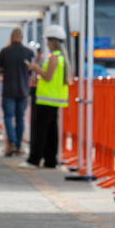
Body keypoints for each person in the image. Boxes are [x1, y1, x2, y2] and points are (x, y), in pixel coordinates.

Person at [20, 25, 72, 169]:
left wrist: (36, 68)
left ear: (52, 42)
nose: (47, 44)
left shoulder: (55, 57)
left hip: (46, 99)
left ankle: (34, 160)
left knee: (40, 130)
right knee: (51, 132)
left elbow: (48, 77)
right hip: (54, 99)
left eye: (48, 41)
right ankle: (50, 160)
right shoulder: (61, 57)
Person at [0, 28, 35, 156]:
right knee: (20, 118)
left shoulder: (5, 52)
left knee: (8, 116)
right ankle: (18, 146)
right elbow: (30, 71)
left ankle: (11, 142)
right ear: (22, 37)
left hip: (9, 89)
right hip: (23, 89)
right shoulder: (28, 52)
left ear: (11, 37)